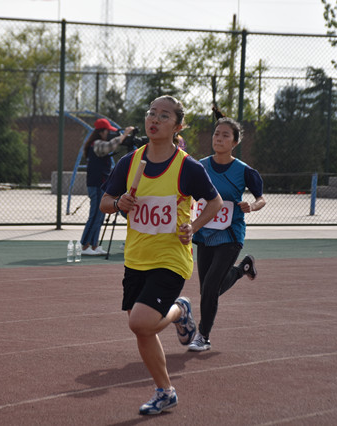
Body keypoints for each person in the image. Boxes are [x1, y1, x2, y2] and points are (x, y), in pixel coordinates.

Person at [100, 95, 223, 415]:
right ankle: (165, 391)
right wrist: (118, 205)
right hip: (136, 257)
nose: (154, 119)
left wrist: (193, 227)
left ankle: (179, 311)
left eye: (164, 116)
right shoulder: (130, 162)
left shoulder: (187, 167)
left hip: (171, 258)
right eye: (151, 113)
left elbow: (215, 203)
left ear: (178, 126)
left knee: (141, 323)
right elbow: (105, 202)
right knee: (141, 327)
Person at [188, 107, 266, 352]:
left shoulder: (244, 171)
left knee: (210, 288)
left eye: (224, 136)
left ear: (235, 142)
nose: (218, 139)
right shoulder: (199, 166)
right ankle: (243, 269)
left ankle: (203, 336)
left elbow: (262, 198)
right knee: (207, 290)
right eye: (216, 134)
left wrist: (251, 206)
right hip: (204, 232)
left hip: (231, 234)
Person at [80, 118, 134, 256]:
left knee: (99, 216)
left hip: (99, 183)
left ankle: (93, 245)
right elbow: (109, 146)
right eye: (107, 132)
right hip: (96, 183)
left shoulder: (95, 144)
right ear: (101, 132)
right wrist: (124, 135)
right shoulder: (96, 144)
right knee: (95, 215)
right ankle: (85, 246)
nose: (108, 135)